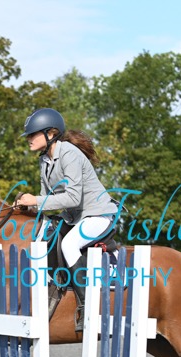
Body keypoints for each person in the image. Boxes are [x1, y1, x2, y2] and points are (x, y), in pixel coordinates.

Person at [15, 108, 117, 332]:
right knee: (42, 236)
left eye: (33, 134)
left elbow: (72, 198)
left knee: (69, 245)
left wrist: (36, 200)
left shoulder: (69, 153)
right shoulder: (44, 160)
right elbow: (47, 199)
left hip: (98, 214)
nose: (29, 139)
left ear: (51, 133)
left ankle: (87, 305)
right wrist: (28, 205)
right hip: (74, 217)